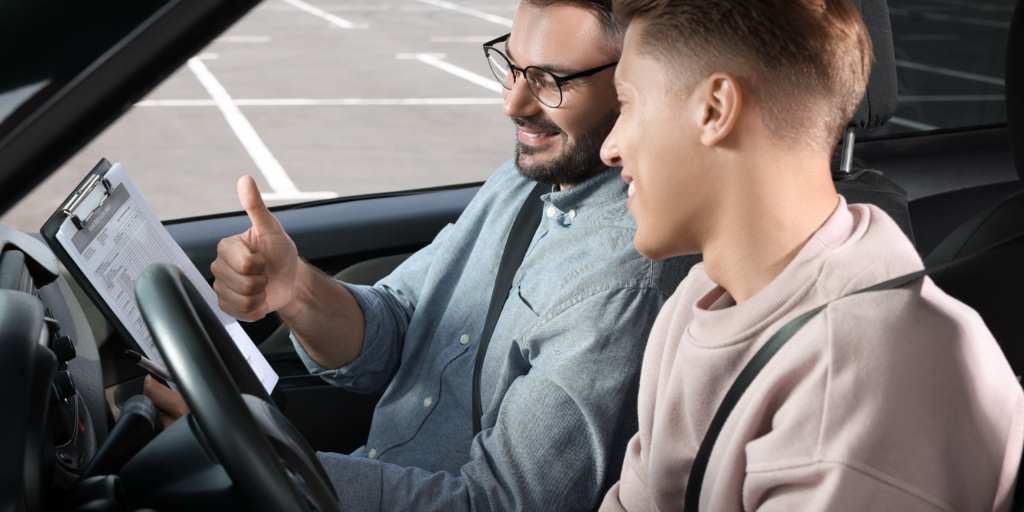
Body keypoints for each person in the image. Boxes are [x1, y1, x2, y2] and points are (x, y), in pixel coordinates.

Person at [144, 0, 699, 509]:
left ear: (635, 82)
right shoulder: (520, 183)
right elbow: (399, 325)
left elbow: (501, 505)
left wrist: (264, 461)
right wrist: (295, 289)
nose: (513, 102)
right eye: (513, 65)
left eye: (550, 81)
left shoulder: (624, 280)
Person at [596, 0, 1024, 510]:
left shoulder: (866, 389)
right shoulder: (697, 299)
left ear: (714, 109)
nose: (610, 148)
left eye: (626, 103)